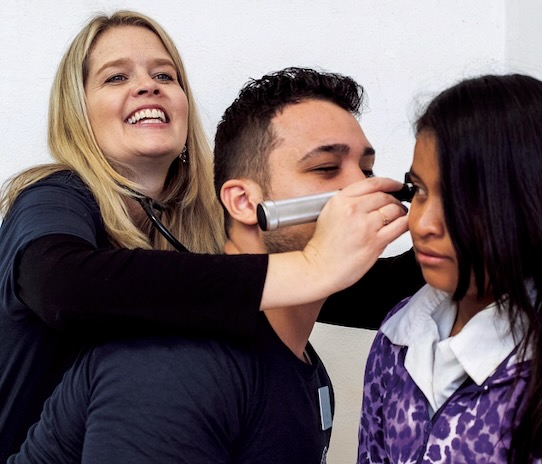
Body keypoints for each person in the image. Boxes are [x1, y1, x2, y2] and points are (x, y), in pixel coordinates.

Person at [0, 11, 423, 461]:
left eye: (165, 74)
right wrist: (314, 263)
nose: (147, 85)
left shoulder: (194, 233)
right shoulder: (55, 197)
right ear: (77, 112)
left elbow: (348, 289)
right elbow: (62, 286)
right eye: (116, 77)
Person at [358, 74, 542, 463]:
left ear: (540, 204)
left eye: (464, 197)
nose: (422, 224)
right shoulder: (395, 341)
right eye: (419, 190)